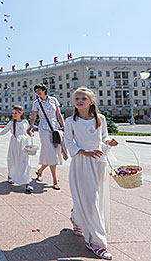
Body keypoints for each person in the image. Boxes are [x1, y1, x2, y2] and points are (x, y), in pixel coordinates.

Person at [64, 87, 118, 260]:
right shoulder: (70, 121)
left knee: (93, 198)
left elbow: (104, 138)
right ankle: (96, 242)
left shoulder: (100, 119)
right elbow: (68, 141)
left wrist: (110, 141)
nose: (79, 101)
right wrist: (83, 152)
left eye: (83, 98)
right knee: (90, 200)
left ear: (91, 101)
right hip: (81, 162)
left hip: (98, 163)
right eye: (77, 98)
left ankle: (76, 218)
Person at [28, 83, 65, 190]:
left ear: (44, 90)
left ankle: (40, 171)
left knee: (50, 153)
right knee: (52, 153)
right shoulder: (36, 103)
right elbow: (34, 117)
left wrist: (64, 127)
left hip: (55, 128)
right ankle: (54, 180)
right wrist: (31, 127)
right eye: (36, 91)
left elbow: (58, 115)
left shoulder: (53, 100)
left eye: (39, 90)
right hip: (43, 129)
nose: (38, 92)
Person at [0, 106, 33, 193]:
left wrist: (31, 133)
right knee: (13, 160)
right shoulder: (11, 123)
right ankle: (11, 175)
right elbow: (5, 131)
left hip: (23, 144)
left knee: (25, 162)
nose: (14, 115)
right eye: (13, 113)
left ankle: (26, 183)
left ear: (21, 113)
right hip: (14, 144)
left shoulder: (25, 122)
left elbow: (28, 131)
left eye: (16, 113)